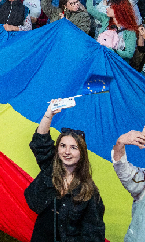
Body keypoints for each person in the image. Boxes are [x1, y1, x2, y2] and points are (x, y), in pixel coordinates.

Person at [24, 99, 105, 242]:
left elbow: (93, 234)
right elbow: (40, 142)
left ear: (82, 153)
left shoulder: (89, 191)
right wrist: (49, 114)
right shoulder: (50, 168)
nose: (67, 152)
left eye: (73, 147)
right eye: (62, 146)